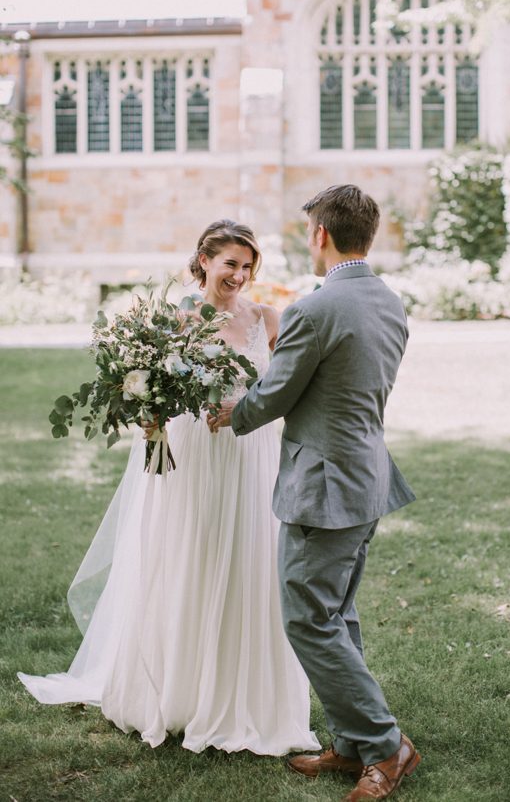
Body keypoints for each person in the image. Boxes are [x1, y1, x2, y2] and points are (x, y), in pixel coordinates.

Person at [18, 219, 319, 757]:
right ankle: (179, 690)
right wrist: (150, 416)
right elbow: (148, 387)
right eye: (230, 263)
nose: (240, 275)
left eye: (249, 266)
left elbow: (282, 388)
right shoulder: (174, 317)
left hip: (250, 456)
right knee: (189, 557)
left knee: (249, 561)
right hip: (194, 455)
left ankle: (241, 695)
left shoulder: (267, 318)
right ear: (204, 260)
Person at [208, 186, 420, 801]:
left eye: (308, 232)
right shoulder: (390, 301)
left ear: (321, 234)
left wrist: (233, 413)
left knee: (308, 620)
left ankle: (386, 746)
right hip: (368, 475)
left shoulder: (314, 308)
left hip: (324, 486)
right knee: (338, 613)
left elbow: (276, 393)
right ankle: (353, 746)